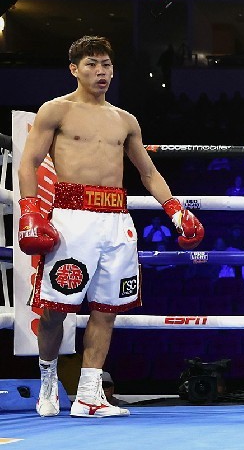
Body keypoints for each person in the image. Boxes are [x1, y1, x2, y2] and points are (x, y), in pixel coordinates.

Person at [17, 35, 204, 419]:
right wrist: (30, 210)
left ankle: (89, 395)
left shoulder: (125, 120)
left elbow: (148, 173)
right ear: (74, 69)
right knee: (54, 311)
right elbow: (29, 163)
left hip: (117, 221)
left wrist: (175, 211)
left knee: (107, 310)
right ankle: (48, 379)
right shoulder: (56, 110)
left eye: (106, 65)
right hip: (72, 218)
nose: (100, 72)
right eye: (91, 64)